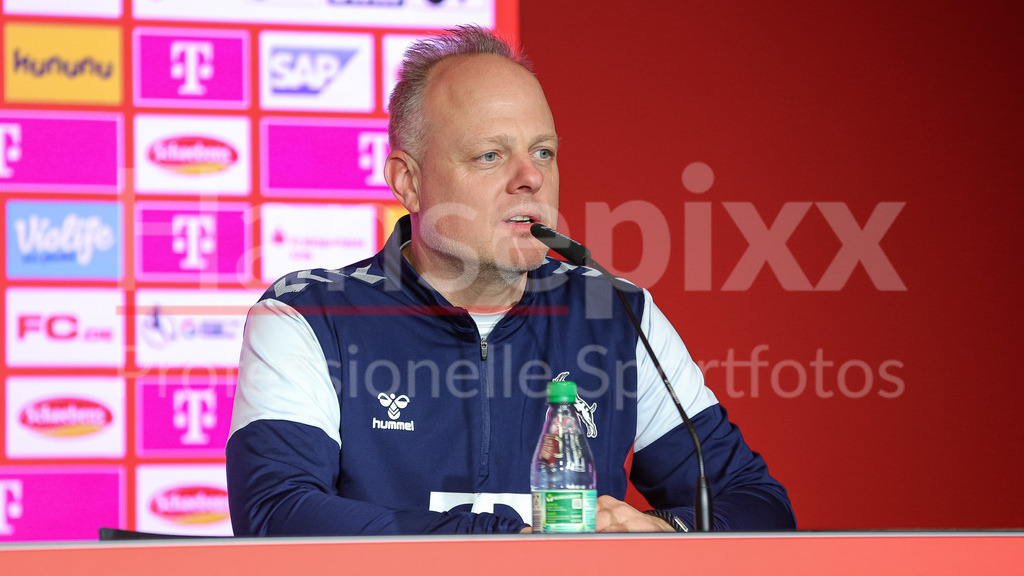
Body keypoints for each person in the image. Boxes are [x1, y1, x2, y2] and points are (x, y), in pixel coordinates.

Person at [226, 25, 795, 535]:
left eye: (543, 152)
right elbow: (279, 514)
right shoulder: (309, 315)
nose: (530, 178)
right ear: (408, 181)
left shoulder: (615, 314)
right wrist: (504, 545)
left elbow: (758, 507)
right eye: (490, 156)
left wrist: (662, 536)